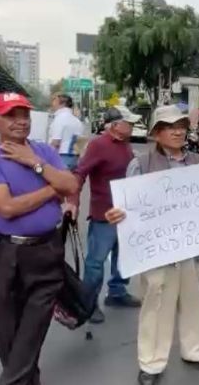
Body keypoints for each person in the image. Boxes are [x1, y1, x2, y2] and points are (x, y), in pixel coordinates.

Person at [106, 105, 199, 385]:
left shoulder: (198, 162)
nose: (177, 131)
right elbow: (129, 207)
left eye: (181, 125)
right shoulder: (141, 163)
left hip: (193, 249)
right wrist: (119, 214)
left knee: (193, 302)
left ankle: (195, 352)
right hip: (156, 252)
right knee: (157, 304)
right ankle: (151, 363)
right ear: (157, 133)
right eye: (169, 126)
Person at [0, 92, 79, 385]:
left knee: (32, 333)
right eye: (10, 115)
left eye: (24, 115)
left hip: (46, 253)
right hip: (5, 255)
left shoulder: (43, 151)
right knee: (9, 336)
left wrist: (36, 164)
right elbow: (6, 208)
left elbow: (71, 184)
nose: (20, 121)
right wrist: (50, 190)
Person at [66, 107, 142, 325]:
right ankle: (88, 304)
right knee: (96, 262)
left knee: (123, 256)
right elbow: (80, 174)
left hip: (125, 213)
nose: (132, 126)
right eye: (129, 123)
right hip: (104, 215)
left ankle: (117, 292)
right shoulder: (98, 145)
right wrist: (73, 201)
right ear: (115, 125)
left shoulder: (125, 145)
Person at [49, 93, 85, 169]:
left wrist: (46, 157)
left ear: (62, 104)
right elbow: (81, 143)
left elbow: (56, 142)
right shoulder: (77, 121)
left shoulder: (60, 118)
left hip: (61, 158)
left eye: (54, 100)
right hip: (74, 159)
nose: (52, 103)